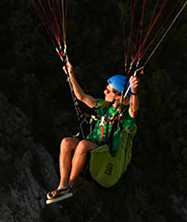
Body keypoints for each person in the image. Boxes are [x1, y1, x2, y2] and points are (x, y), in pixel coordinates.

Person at [46, 61, 139, 204]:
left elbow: (134, 110)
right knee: (66, 142)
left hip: (106, 154)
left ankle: (70, 186)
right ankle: (62, 185)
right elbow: (82, 97)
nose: (104, 92)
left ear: (118, 95)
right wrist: (71, 73)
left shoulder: (125, 116)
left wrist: (133, 92)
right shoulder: (104, 106)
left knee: (83, 145)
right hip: (93, 146)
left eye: (108, 91)